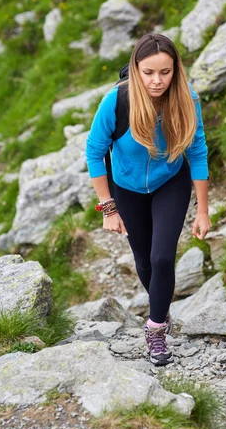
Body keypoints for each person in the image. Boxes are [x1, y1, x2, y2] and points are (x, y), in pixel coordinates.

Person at [85, 33, 211, 366]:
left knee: (161, 259)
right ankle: (161, 307)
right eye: (148, 72)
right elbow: (94, 153)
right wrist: (108, 207)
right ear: (136, 69)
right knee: (143, 261)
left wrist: (203, 211)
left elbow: (198, 153)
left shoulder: (187, 99)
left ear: (176, 70)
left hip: (170, 182)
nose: (157, 81)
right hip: (126, 188)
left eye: (165, 72)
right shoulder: (117, 101)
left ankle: (155, 331)